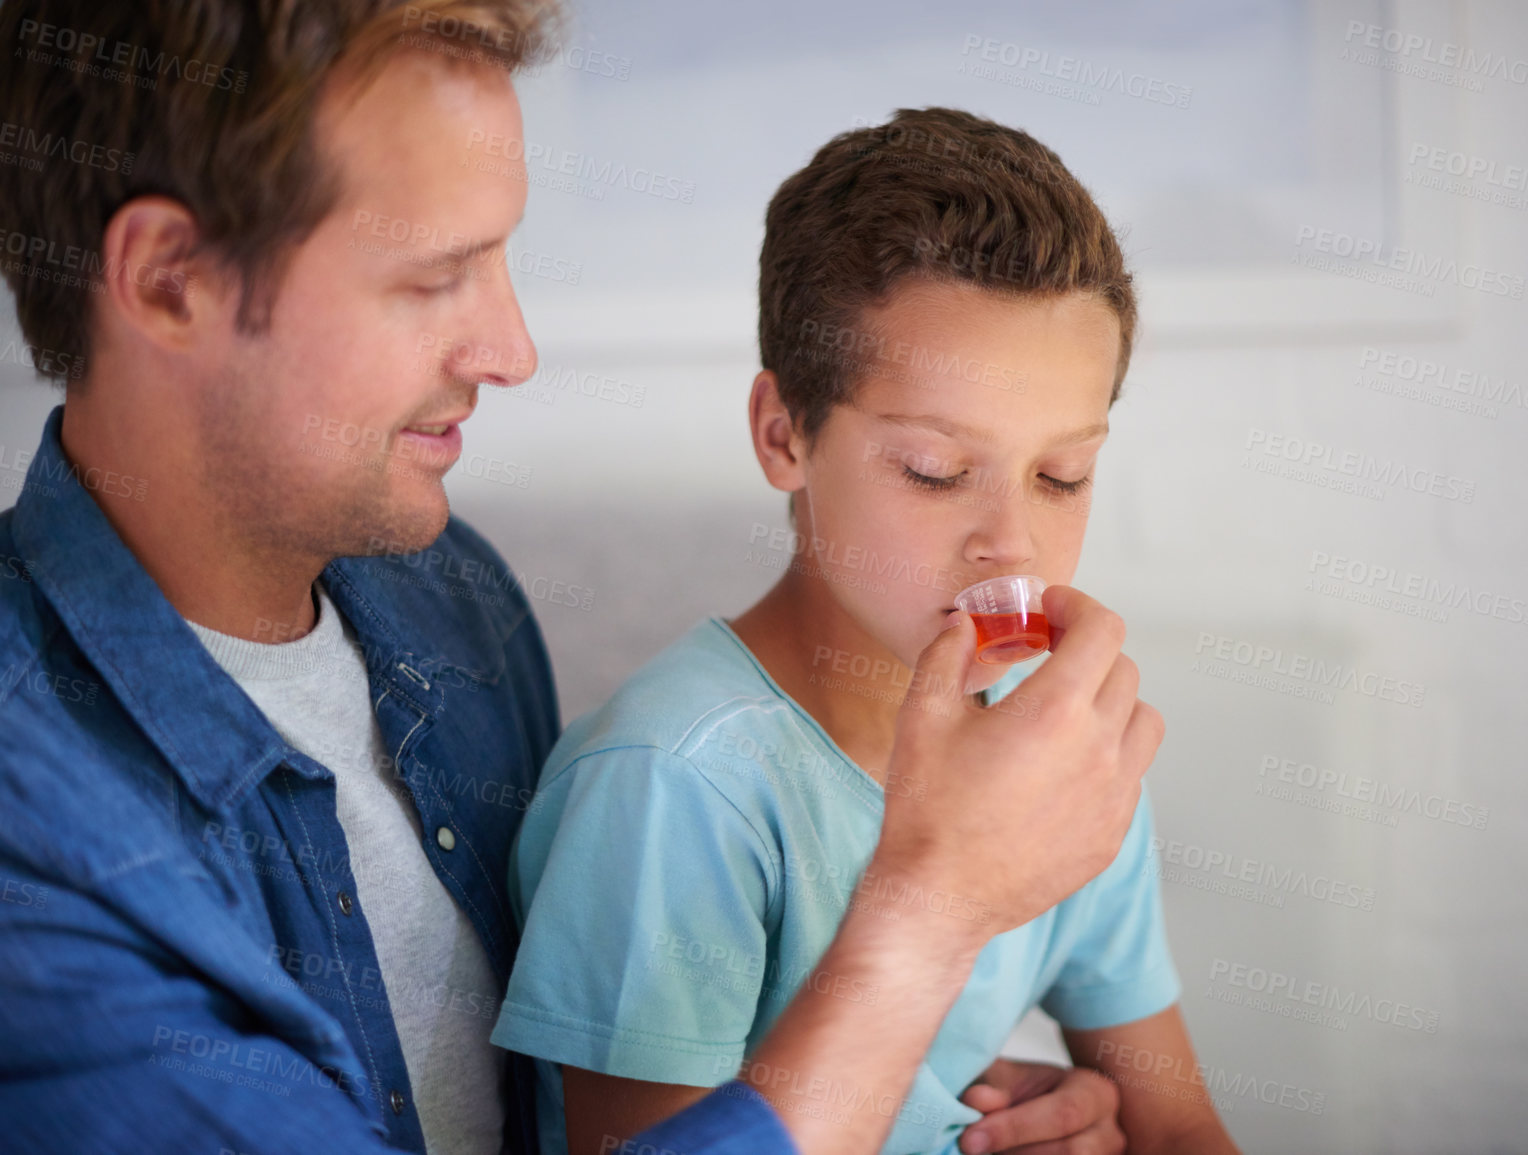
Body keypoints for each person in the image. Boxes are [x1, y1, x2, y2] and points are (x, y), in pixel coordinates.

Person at [0, 4, 1163, 1154]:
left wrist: (917, 1098)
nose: (513, 349)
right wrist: (928, 922)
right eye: (432, 276)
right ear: (166, 282)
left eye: (503, 257)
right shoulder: (35, 841)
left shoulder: (450, 599)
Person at [493, 108, 1238, 1155]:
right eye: (935, 471)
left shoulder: (1055, 745)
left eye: (1063, 475)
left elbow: (1176, 1124)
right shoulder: (678, 786)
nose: (1011, 542)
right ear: (783, 435)